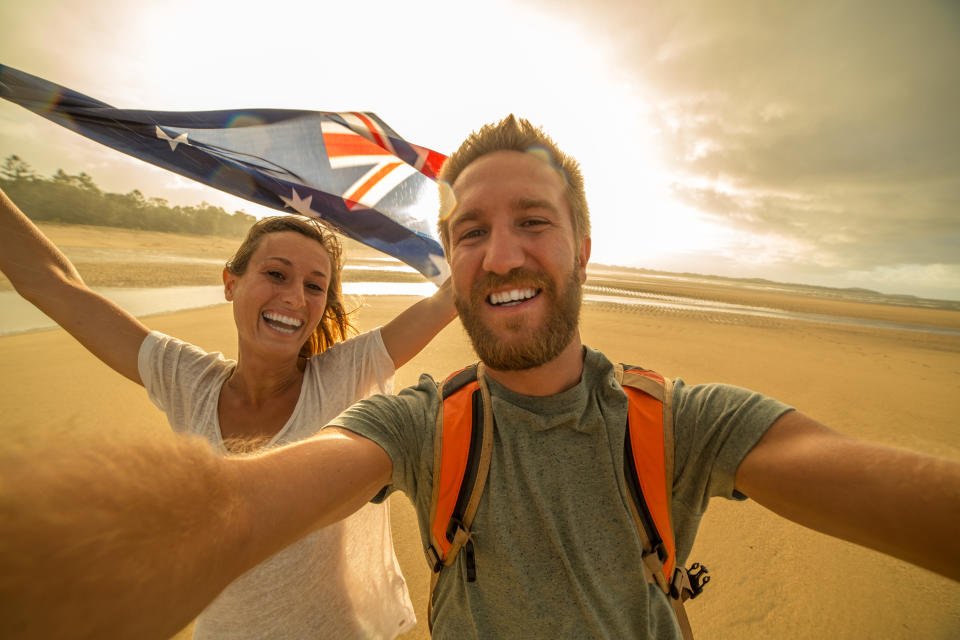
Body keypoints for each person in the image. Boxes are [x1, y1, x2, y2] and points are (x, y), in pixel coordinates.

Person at [1, 116, 958, 640]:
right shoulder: (416, 424)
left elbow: (848, 473)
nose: (501, 254)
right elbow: (229, 510)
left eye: (533, 222)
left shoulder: (685, 419)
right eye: (470, 234)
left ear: (585, 247)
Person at [0, 186, 456, 639]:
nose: (296, 297)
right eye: (277, 275)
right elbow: (49, 280)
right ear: (230, 283)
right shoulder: (187, 380)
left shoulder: (343, 374)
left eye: (314, 286)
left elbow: (446, 300)